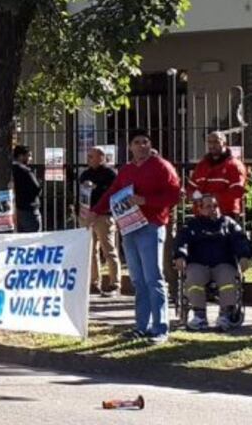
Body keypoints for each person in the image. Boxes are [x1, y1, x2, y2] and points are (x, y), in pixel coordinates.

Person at [93, 129, 181, 343]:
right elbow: (112, 192)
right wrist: (95, 210)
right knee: (138, 281)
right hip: (129, 228)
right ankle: (141, 326)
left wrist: (146, 200)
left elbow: (175, 194)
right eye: (137, 142)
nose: (142, 146)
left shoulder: (161, 166)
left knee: (153, 278)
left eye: (145, 142)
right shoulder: (126, 170)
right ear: (130, 147)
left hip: (151, 226)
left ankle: (160, 328)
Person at [175, 193, 251, 332]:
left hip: (223, 263)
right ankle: (200, 317)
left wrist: (244, 256)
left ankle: (225, 316)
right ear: (200, 209)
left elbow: (240, 240)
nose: (213, 209)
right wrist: (180, 256)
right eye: (208, 206)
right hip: (198, 263)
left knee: (228, 278)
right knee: (193, 278)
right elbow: (182, 241)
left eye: (215, 206)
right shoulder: (192, 225)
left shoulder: (228, 223)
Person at [78, 147, 120, 296]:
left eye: (91, 156)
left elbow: (113, 195)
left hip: (103, 216)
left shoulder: (110, 174)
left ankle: (115, 283)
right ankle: (94, 282)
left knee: (108, 249)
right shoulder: (85, 174)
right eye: (88, 156)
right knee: (90, 250)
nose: (88, 159)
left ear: (101, 157)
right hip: (87, 215)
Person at [186, 131, 246, 219]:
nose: (212, 145)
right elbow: (191, 188)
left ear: (224, 143)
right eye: (209, 142)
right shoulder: (201, 165)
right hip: (202, 216)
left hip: (226, 215)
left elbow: (237, 191)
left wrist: (212, 199)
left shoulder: (234, 165)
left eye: (216, 142)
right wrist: (195, 197)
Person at [11, 145, 42, 233]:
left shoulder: (10, 170)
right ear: (21, 156)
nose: (30, 158)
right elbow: (36, 188)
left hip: (17, 209)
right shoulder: (25, 171)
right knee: (34, 238)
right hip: (29, 210)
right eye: (28, 155)